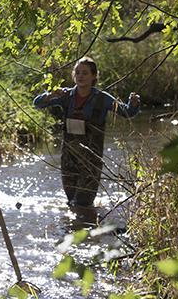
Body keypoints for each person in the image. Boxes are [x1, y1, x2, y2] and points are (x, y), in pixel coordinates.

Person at [33, 56, 140, 209]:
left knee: (82, 203)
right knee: (71, 202)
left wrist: (134, 103)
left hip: (91, 162)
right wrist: (50, 95)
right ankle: (72, 230)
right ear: (73, 75)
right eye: (77, 73)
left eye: (85, 73)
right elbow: (37, 104)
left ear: (94, 76)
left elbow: (127, 112)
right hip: (68, 159)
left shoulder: (103, 99)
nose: (80, 76)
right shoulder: (65, 96)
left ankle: (88, 229)